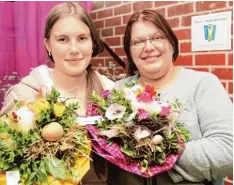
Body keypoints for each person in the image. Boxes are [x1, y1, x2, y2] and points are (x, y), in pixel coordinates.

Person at [110, 9, 233, 185]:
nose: (149, 47)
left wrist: (159, 151)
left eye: (157, 37)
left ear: (171, 43)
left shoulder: (202, 84)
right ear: (129, 52)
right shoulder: (118, 91)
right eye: (138, 41)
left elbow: (229, 152)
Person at [0, 2, 114, 185]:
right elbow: (6, 161)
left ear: (92, 42)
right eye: (63, 39)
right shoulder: (26, 94)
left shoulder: (112, 95)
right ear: (48, 45)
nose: (74, 49)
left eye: (82, 38)